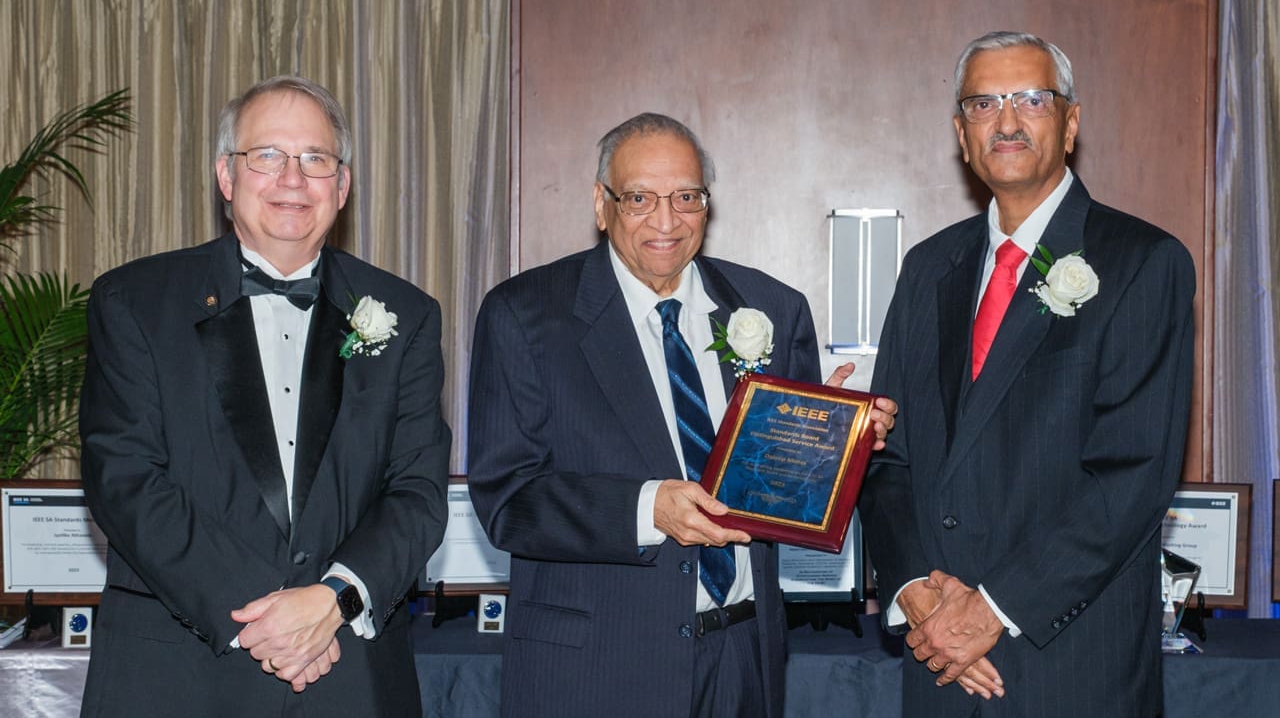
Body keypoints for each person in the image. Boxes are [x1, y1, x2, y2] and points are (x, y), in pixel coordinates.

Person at [467, 112, 894, 717]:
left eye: (686, 197)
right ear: (601, 203)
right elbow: (508, 501)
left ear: (707, 204)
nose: (665, 221)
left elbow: (788, 495)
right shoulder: (525, 315)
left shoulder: (771, 307)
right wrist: (649, 510)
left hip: (745, 658)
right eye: (639, 198)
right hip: (595, 669)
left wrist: (844, 444)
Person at [78, 76, 451, 717]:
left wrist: (333, 598)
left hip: (350, 676)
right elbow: (125, 480)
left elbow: (417, 491)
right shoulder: (134, 301)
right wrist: (276, 616)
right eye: (268, 156)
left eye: (316, 159)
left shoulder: (405, 315)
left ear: (343, 185)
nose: (293, 179)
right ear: (227, 176)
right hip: (177, 674)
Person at [860, 31, 1195, 717]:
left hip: (1069, 664)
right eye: (983, 104)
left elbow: (1132, 476)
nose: (1006, 121)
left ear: (1070, 124)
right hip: (939, 665)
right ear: (961, 133)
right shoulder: (928, 269)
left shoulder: (1142, 262)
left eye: (1030, 100)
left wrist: (992, 610)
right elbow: (888, 457)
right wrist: (917, 592)